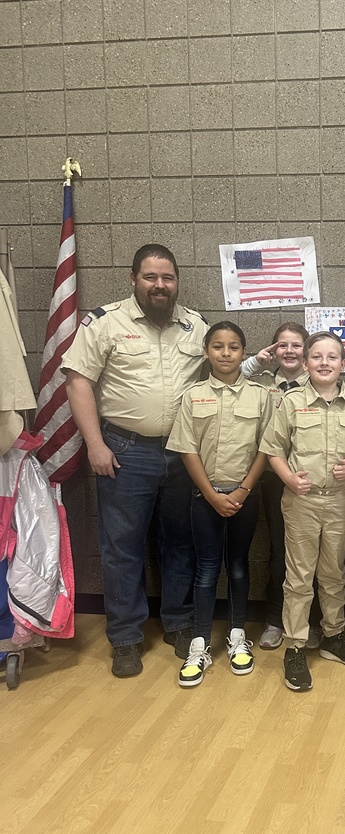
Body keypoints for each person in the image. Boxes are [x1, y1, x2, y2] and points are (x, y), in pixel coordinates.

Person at [63, 245, 207, 677]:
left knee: (180, 544)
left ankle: (179, 624)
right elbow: (77, 382)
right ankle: (125, 637)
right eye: (150, 277)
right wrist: (94, 445)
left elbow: (220, 372)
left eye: (167, 277)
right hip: (124, 452)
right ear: (133, 279)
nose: (159, 285)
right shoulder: (107, 323)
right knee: (121, 548)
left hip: (183, 453)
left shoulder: (194, 325)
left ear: (177, 281)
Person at [259, 331, 345, 692]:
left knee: (333, 572)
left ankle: (332, 636)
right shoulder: (290, 401)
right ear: (306, 362)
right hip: (301, 502)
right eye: (317, 357)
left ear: (344, 364)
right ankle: (294, 645)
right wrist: (290, 480)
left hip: (340, 499)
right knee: (299, 576)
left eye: (332, 357)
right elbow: (273, 449)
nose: (324, 363)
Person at [166, 321, 272, 687]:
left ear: (244, 353)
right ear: (207, 352)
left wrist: (242, 491)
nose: (225, 353)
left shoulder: (261, 395)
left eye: (233, 347)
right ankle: (199, 642)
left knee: (239, 566)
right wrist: (211, 494)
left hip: (245, 496)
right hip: (203, 496)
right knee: (207, 568)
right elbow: (186, 448)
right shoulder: (193, 395)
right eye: (217, 346)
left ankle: (238, 636)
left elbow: (266, 448)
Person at [241, 323, 321, 651]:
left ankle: (310, 621)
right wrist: (257, 361)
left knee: (311, 554)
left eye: (297, 345)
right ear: (273, 349)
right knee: (279, 551)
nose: (289, 351)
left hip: (308, 478)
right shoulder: (261, 382)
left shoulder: (318, 381)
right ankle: (276, 618)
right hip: (273, 478)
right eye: (281, 345)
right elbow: (228, 376)